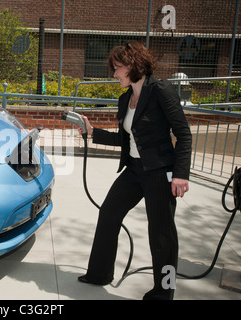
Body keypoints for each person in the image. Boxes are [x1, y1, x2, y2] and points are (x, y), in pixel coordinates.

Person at [77, 42, 192, 300]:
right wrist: (93, 132)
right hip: (134, 171)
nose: (114, 74)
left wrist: (181, 174)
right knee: (108, 213)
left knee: (162, 235)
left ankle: (164, 293)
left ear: (133, 65)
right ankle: (99, 274)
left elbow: (183, 133)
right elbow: (126, 139)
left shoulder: (160, 90)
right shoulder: (126, 98)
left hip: (160, 172)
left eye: (117, 68)